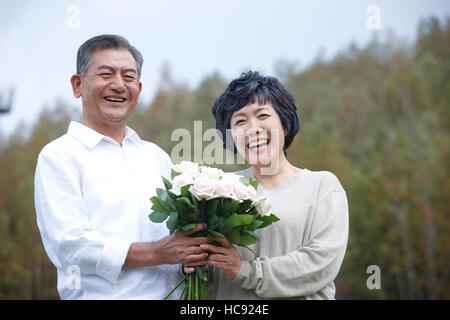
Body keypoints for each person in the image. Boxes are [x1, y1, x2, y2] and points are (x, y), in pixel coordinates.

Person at [34, 34, 209, 299]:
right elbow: (70, 246)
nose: (118, 85)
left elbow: (174, 239)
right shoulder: (59, 156)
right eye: (106, 74)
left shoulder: (156, 156)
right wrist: (156, 252)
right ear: (77, 84)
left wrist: (189, 255)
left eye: (128, 77)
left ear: (138, 90)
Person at [198, 71, 349, 299]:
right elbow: (207, 271)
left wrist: (246, 270)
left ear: (285, 125)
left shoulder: (323, 187)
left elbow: (321, 264)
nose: (252, 129)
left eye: (263, 115)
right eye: (240, 121)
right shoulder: (217, 190)